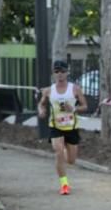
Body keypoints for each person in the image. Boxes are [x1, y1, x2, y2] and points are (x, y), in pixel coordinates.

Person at [37, 60, 88, 195]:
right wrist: (41, 110)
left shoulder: (75, 89)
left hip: (71, 127)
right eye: (57, 72)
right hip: (56, 126)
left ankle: (65, 153)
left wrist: (74, 108)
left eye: (63, 71)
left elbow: (85, 106)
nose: (60, 74)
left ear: (67, 72)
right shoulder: (48, 90)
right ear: (54, 73)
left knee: (71, 161)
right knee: (58, 152)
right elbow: (41, 104)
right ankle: (64, 184)